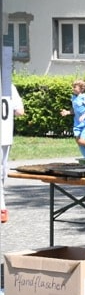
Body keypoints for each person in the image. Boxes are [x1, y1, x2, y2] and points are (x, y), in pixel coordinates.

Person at [1, 84, 24, 223]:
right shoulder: (9, 86)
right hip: (5, 134)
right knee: (2, 170)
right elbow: (20, 111)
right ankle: (2, 207)